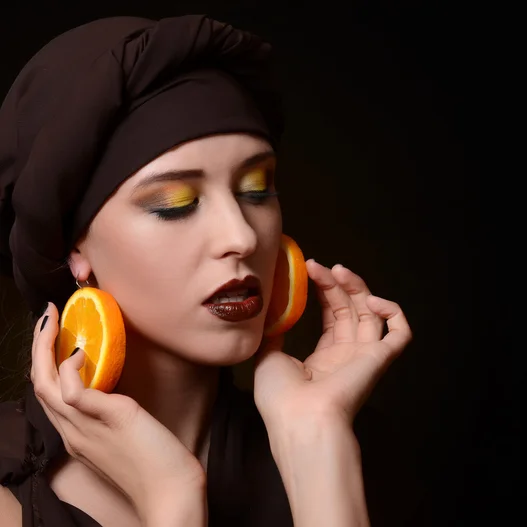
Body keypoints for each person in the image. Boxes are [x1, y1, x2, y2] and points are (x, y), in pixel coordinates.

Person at [0, 14, 412, 527]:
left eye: (257, 189)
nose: (241, 235)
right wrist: (171, 498)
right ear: (72, 249)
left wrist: (315, 442)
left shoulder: (346, 444)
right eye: (175, 203)